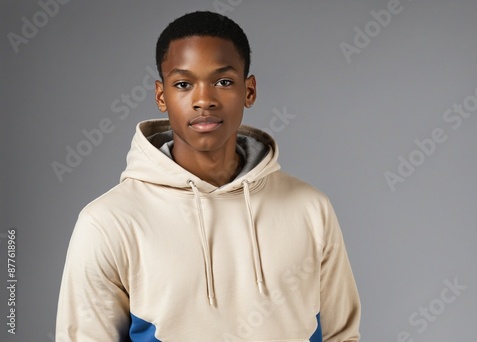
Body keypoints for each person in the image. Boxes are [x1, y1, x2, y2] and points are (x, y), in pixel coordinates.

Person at [56, 10, 361, 341]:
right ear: (162, 96)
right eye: (184, 84)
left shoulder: (310, 208)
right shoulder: (108, 222)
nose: (204, 100)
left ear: (249, 91)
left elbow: (341, 335)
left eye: (223, 82)